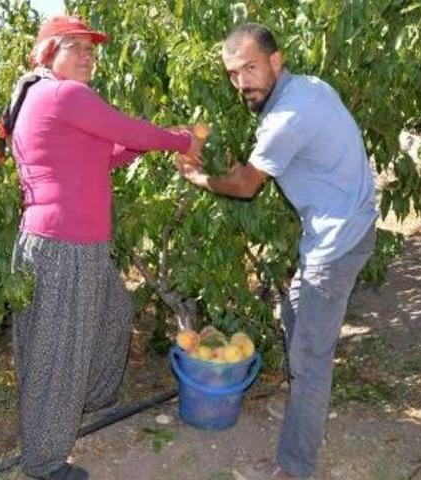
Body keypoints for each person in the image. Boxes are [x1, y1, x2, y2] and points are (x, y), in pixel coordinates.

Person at [0, 15, 203, 480]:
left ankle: (81, 397)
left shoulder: (40, 96)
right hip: (65, 245)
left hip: (56, 242)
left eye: (92, 49)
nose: (89, 56)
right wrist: (183, 139)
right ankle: (45, 463)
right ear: (50, 53)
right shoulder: (64, 94)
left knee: (112, 313)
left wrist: (151, 143)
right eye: (79, 48)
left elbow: (104, 152)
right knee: (58, 352)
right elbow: (126, 129)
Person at [174, 23, 377, 480]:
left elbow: (246, 186)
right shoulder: (308, 89)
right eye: (233, 73)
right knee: (294, 315)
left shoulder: (287, 117)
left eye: (250, 67)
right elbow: (255, 168)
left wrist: (199, 178)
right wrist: (220, 166)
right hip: (349, 225)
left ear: (276, 61)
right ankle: (307, 406)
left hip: (336, 243)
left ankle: (294, 466)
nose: (242, 81)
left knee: (309, 360)